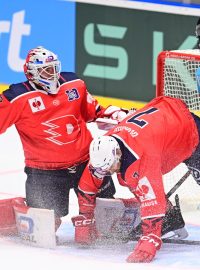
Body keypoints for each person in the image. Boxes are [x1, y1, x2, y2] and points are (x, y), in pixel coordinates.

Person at [0, 46, 129, 232]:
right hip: (44, 172)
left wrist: (114, 113)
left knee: (106, 215)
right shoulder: (16, 98)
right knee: (43, 229)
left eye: (54, 68)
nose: (52, 74)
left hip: (87, 163)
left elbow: (93, 112)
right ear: (31, 73)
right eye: (46, 70)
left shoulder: (74, 83)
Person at [75, 96, 200, 263]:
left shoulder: (141, 158)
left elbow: (151, 201)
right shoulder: (105, 147)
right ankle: (171, 218)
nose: (107, 173)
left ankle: (168, 217)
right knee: (129, 178)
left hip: (189, 130)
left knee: (134, 179)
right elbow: (89, 182)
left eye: (109, 168)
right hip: (166, 117)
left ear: (118, 155)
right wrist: (85, 217)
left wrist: (149, 240)